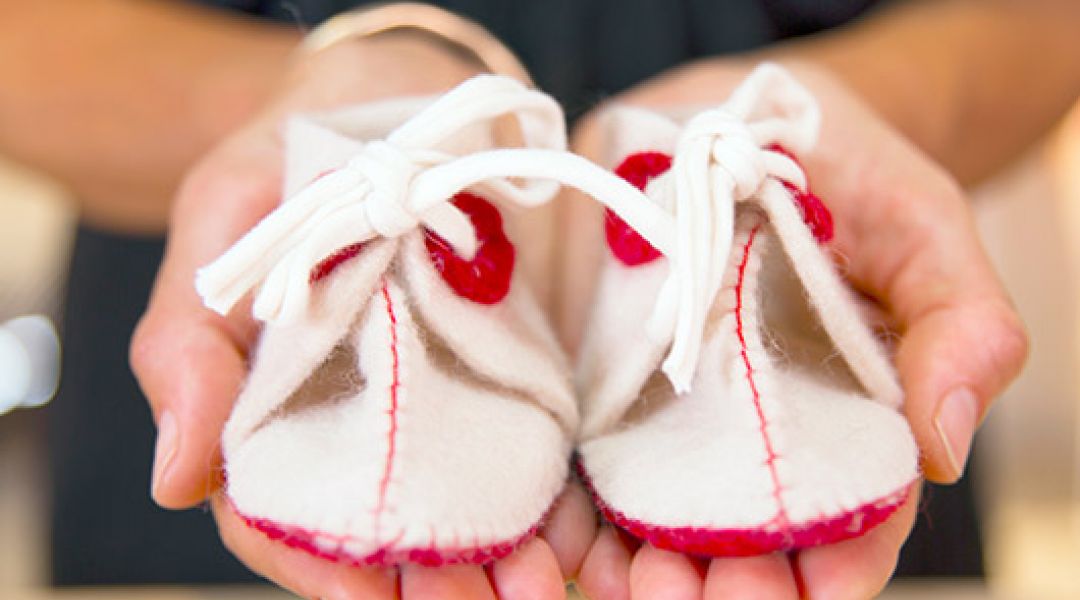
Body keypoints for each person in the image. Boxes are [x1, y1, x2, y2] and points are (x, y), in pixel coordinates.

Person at [4, 0, 1077, 597]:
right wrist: (359, 124)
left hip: (815, 235)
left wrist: (845, 108)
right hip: (233, 350)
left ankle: (689, 207)